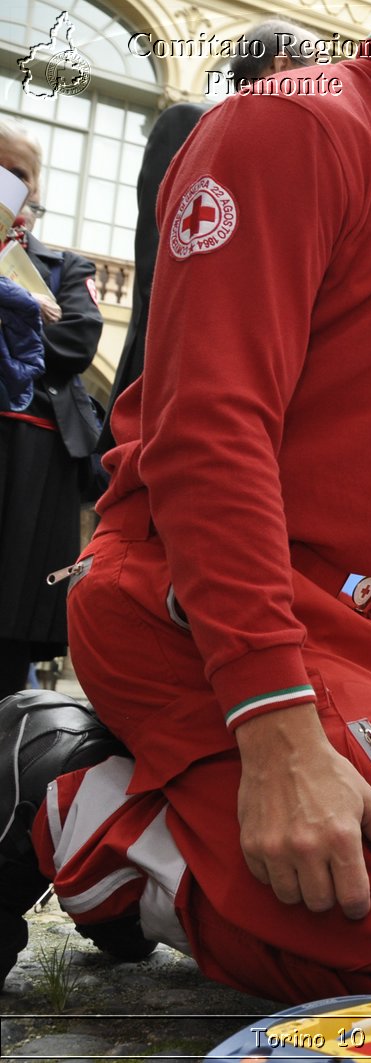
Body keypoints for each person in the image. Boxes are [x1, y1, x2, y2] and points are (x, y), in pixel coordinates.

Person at [0, 0, 371, 1002]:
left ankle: (193, 793)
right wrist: (274, 718)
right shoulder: (294, 124)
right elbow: (210, 432)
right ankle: (69, 799)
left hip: (367, 624)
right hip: (190, 598)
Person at [107, 19, 321, 417]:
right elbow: (163, 265)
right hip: (176, 379)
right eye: (317, 72)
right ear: (280, 66)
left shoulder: (300, 156)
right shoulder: (191, 122)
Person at [0, 122, 104, 695]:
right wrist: (33, 315)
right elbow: (51, 333)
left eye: (19, 175)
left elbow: (74, 345)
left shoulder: (66, 268)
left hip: (35, 454)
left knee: (12, 620)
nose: (9, 185)